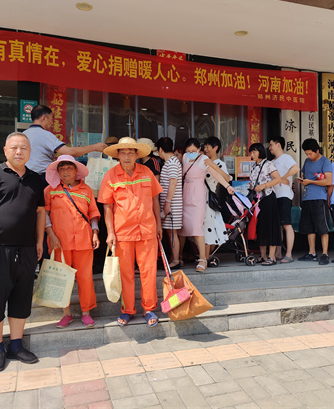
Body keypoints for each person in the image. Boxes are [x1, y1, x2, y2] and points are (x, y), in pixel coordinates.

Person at [0, 132, 45, 372]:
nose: (19, 151)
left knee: (21, 299)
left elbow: (40, 213)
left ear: (30, 151)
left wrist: (39, 242)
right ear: (5, 150)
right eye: (14, 147)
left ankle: (15, 345)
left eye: (24, 147)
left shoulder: (37, 180)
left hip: (26, 250)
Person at [98, 137, 163, 328]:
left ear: (137, 154)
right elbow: (107, 207)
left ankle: (149, 308)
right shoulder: (110, 175)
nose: (126, 156)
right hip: (122, 233)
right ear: (118, 155)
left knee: (148, 272)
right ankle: (127, 310)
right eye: (123, 152)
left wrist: (159, 225)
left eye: (130, 152)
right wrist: (110, 232)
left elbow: (155, 201)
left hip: (147, 230)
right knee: (125, 274)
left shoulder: (147, 172)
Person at [44, 155, 101, 329]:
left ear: (76, 171)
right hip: (59, 242)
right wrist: (51, 235)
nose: (65, 171)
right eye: (61, 168)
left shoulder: (87, 190)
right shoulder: (50, 190)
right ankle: (66, 314)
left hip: (84, 241)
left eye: (69, 168)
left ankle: (86, 313)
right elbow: (44, 215)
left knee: (85, 279)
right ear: (57, 172)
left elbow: (92, 214)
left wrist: (95, 233)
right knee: (62, 279)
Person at [179, 138, 234, 272]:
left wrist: (227, 186)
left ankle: (203, 259)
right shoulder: (185, 158)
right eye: (189, 150)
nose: (191, 153)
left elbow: (216, 174)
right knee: (183, 227)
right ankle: (178, 256)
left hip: (199, 194)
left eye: (194, 150)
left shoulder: (203, 159)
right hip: (186, 193)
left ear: (199, 149)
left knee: (198, 226)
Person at [24, 105, 106, 182]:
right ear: (44, 118)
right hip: (42, 178)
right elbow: (69, 152)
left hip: (25, 177)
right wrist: (94, 147)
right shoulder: (45, 134)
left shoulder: (23, 134)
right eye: (52, 118)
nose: (52, 122)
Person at [297, 138, 333, 265]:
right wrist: (302, 180)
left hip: (319, 198)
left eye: (310, 153)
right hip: (307, 198)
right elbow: (304, 175)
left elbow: (328, 181)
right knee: (309, 227)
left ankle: (324, 253)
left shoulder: (325, 161)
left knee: (322, 227)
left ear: (317, 150)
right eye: (306, 154)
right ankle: (312, 253)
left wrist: (311, 181)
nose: (308, 156)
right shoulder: (307, 161)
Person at [248, 143, 283, 265]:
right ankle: (263, 256)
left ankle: (271, 257)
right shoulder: (253, 166)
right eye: (251, 152)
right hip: (258, 200)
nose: (252, 154)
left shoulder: (268, 164)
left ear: (260, 152)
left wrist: (264, 185)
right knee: (261, 227)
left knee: (271, 227)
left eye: (254, 152)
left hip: (268, 198)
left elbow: (278, 178)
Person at [268, 137, 299, 263]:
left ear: (278, 144)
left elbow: (296, 168)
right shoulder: (271, 162)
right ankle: (278, 253)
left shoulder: (286, 158)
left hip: (284, 195)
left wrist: (283, 178)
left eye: (271, 145)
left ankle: (289, 254)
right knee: (278, 226)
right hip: (274, 196)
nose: (269, 147)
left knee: (286, 225)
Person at [203, 137, 232, 262]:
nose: (205, 149)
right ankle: (202, 256)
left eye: (207, 147)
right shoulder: (203, 161)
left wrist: (213, 166)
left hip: (209, 199)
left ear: (215, 148)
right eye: (204, 147)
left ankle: (206, 257)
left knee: (209, 228)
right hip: (199, 196)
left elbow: (227, 178)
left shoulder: (220, 163)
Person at [156, 137, 183, 268]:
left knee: (172, 232)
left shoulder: (172, 163)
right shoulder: (172, 162)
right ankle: (174, 258)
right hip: (171, 203)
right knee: (170, 232)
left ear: (160, 150)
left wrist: (167, 203)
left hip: (172, 204)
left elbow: (173, 182)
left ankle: (175, 260)